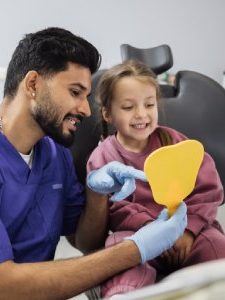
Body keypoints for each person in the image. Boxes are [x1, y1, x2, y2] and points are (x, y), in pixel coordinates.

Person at [0, 28, 187, 300]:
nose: (86, 110)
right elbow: (2, 287)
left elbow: (84, 242)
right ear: (33, 85)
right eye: (75, 92)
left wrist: (96, 193)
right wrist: (135, 249)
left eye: (87, 97)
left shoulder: (52, 150)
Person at [86, 59, 225, 298]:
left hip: (186, 236)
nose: (141, 114)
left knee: (215, 244)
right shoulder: (103, 158)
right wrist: (150, 228)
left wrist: (188, 230)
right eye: (128, 107)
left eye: (149, 104)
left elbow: (206, 191)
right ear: (108, 114)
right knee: (116, 251)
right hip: (138, 239)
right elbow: (114, 207)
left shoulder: (177, 143)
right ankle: (125, 294)